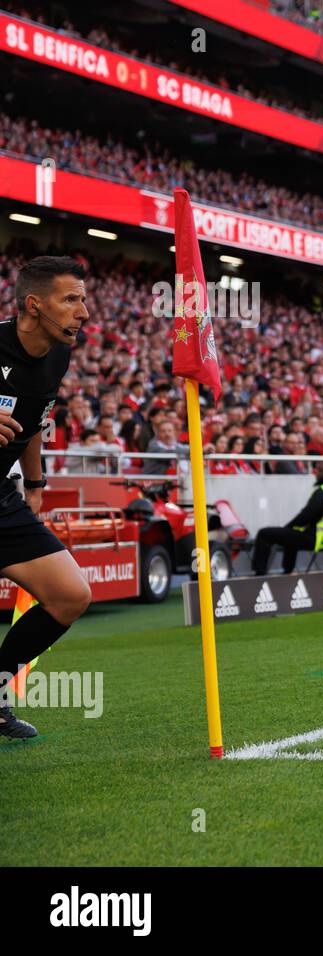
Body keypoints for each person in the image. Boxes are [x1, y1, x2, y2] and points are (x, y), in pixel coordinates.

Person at [0, 256, 93, 739]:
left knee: (70, 595)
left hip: (2, 500)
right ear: (34, 305)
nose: (83, 311)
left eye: (82, 298)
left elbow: (33, 423)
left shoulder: (59, 352)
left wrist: (34, 486)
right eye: (71, 300)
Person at [249, 460, 323, 575]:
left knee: (264, 534)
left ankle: (260, 574)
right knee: (292, 533)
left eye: (320, 470)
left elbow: (304, 517)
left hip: (316, 540)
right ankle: (288, 571)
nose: (316, 473)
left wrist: (287, 527)